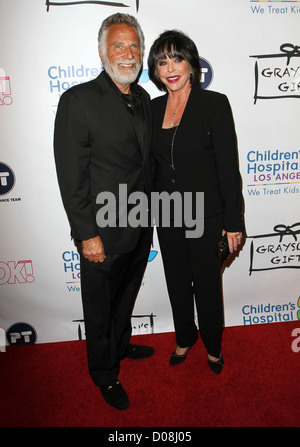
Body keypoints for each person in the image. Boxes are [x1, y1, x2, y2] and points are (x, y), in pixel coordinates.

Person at [54, 13, 154, 410]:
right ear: (101, 52)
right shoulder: (77, 101)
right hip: (101, 231)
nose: (128, 54)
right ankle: (103, 373)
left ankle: (119, 344)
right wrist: (86, 232)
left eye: (134, 47)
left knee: (126, 295)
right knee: (98, 305)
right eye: (119, 45)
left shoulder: (144, 98)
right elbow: (71, 174)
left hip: (140, 224)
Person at [148, 30, 244, 374]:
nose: (170, 68)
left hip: (206, 216)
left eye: (177, 59)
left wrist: (233, 222)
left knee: (206, 283)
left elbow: (228, 168)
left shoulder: (214, 104)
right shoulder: (152, 107)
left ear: (191, 63)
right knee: (176, 281)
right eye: (162, 61)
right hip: (168, 215)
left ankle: (214, 346)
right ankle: (185, 337)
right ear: (154, 69)